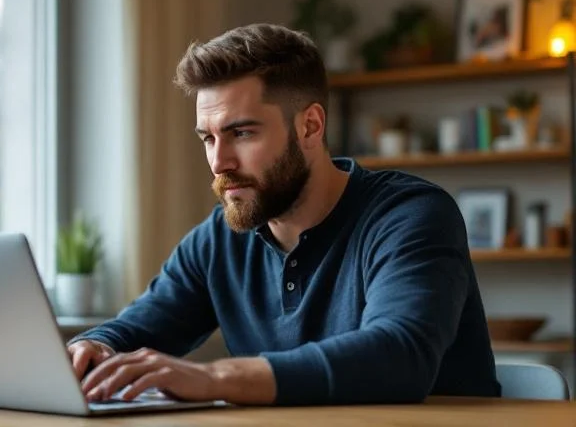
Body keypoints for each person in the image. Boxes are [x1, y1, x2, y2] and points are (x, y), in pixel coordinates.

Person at [68, 23, 500, 406]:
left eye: (241, 133)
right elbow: (132, 331)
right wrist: (93, 348)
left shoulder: (409, 215)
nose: (219, 162)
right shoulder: (219, 240)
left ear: (310, 126)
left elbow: (400, 355)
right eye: (208, 138)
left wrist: (215, 377)